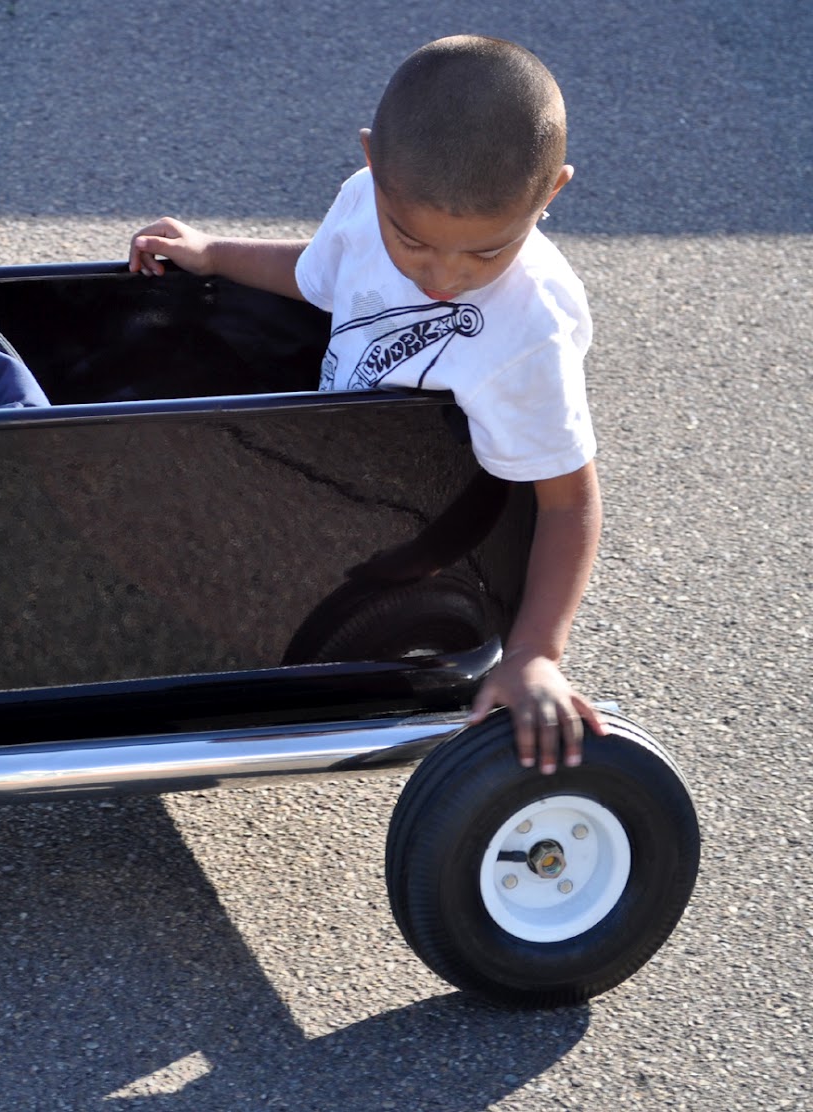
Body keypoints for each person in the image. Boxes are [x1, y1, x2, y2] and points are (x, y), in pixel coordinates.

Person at [128, 34, 605, 776]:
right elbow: (323, 271)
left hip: (427, 529)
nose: (443, 276)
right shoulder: (362, 203)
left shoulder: (529, 329)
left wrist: (538, 653)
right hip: (340, 477)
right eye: (411, 242)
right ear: (372, 165)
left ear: (551, 194)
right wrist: (215, 253)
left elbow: (569, 501)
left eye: (486, 253)